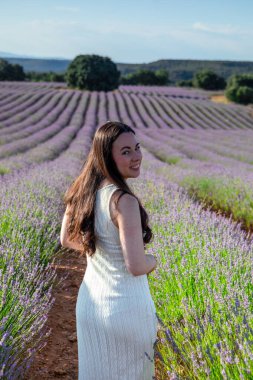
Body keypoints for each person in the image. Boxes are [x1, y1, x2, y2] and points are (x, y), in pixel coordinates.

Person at [60, 121, 158, 380]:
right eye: (125, 151)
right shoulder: (123, 201)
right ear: (107, 156)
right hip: (126, 309)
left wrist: (99, 249)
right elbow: (136, 265)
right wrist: (154, 259)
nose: (136, 156)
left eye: (136, 148)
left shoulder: (82, 192)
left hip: (91, 307)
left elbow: (65, 239)